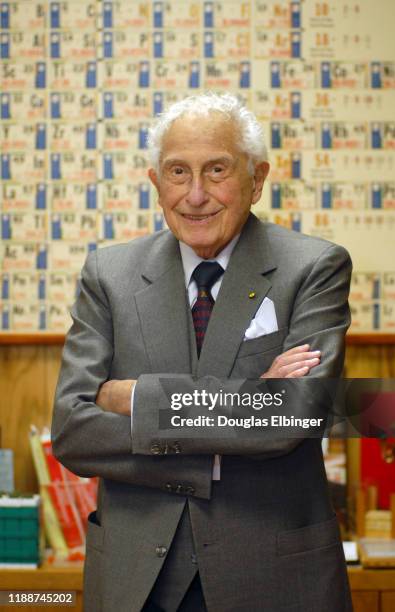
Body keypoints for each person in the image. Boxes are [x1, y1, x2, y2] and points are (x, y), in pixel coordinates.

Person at [51, 93, 353, 612]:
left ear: (256, 179)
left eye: (217, 170)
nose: (195, 195)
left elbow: (292, 416)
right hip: (134, 579)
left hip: (273, 578)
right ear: (155, 183)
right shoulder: (109, 274)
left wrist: (139, 398)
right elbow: (73, 433)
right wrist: (240, 415)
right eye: (177, 172)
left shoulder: (314, 267)